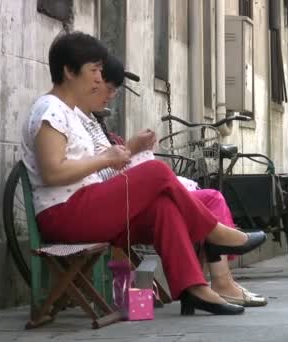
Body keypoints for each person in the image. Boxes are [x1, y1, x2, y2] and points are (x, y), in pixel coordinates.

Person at [21, 31, 267, 316]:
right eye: (94, 71)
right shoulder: (49, 109)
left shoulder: (73, 112)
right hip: (65, 214)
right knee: (156, 172)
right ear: (68, 71)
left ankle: (194, 289)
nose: (100, 80)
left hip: (88, 208)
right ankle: (214, 231)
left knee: (163, 207)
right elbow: (52, 173)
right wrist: (105, 159)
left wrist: (112, 156)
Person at [76, 54, 266, 307]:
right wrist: (131, 149)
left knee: (207, 197)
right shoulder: (64, 117)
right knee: (158, 175)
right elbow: (95, 172)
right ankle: (216, 238)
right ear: (76, 77)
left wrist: (131, 151)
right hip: (106, 205)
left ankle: (206, 284)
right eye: (104, 87)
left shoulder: (92, 123)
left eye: (111, 89)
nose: (109, 96)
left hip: (119, 197)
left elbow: (106, 163)